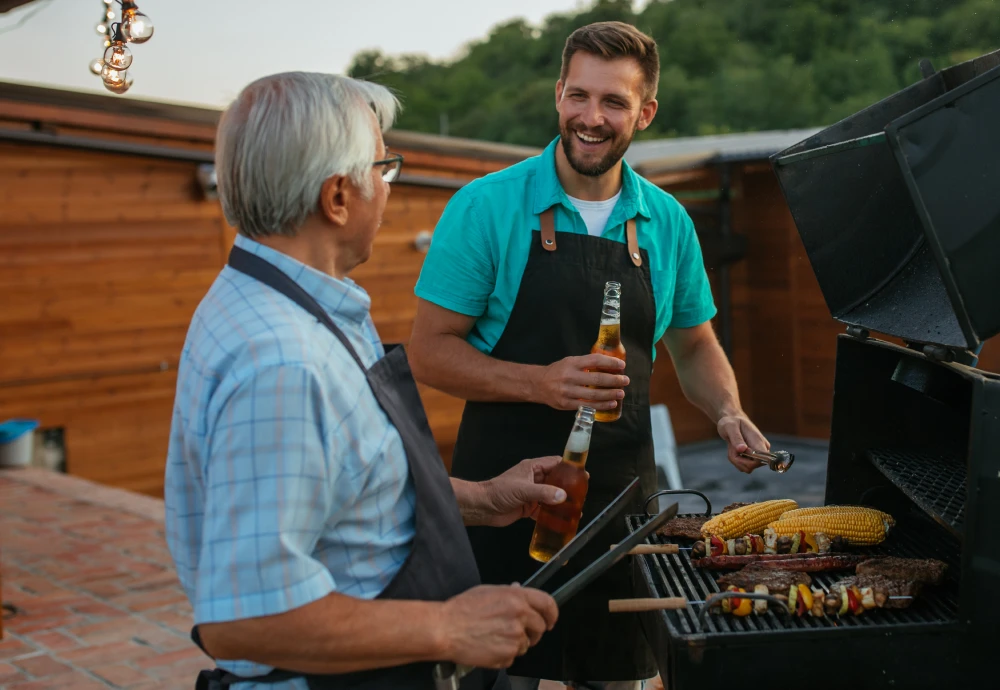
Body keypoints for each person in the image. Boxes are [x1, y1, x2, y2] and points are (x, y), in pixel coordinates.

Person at [163, 71, 568, 690]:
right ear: (337, 198)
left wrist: (485, 499)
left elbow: (351, 489)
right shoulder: (283, 362)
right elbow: (243, 619)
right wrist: (447, 629)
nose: (388, 189)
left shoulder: (296, 301)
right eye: (384, 169)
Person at [408, 21, 771, 690]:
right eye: (579, 96)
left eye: (614, 102)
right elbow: (428, 355)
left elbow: (694, 343)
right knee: (502, 678)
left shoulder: (668, 221)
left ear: (646, 112)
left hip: (622, 507)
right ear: (558, 96)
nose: (591, 118)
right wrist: (541, 383)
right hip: (503, 503)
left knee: (623, 676)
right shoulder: (485, 207)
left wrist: (727, 412)